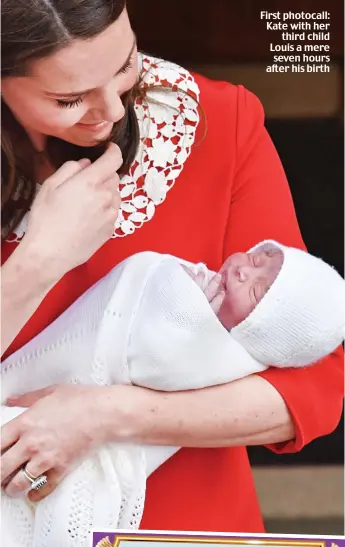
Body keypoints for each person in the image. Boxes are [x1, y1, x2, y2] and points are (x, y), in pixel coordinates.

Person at [1, 0, 343, 534]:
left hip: (190, 530)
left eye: (125, 66)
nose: (113, 111)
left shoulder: (216, 121)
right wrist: (39, 261)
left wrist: (108, 416)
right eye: (69, 99)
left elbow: (314, 388)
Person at [2, 240, 344, 546]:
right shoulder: (207, 280)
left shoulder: (228, 359)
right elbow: (141, 277)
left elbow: (162, 353)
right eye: (258, 259)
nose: (242, 271)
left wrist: (103, 413)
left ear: (260, 334)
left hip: (182, 511)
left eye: (256, 293)